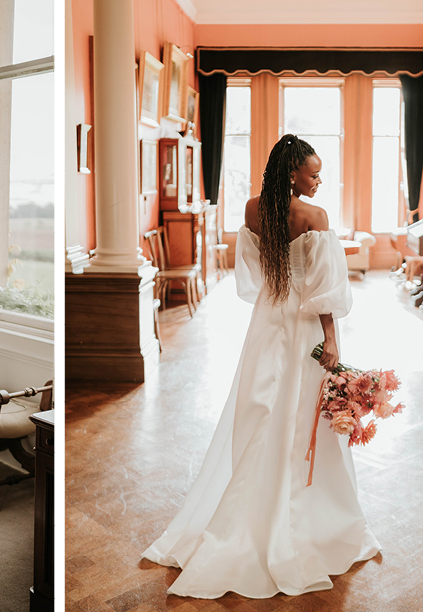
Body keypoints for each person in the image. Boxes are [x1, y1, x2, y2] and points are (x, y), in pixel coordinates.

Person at [142, 135, 380, 599]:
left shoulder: (252, 210)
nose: (319, 180)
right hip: (305, 324)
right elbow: (324, 289)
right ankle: (298, 517)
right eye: (313, 173)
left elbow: (251, 273)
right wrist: (331, 338)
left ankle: (251, 507)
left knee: (261, 410)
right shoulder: (315, 218)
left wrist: (279, 296)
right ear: (293, 172)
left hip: (267, 320)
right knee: (301, 415)